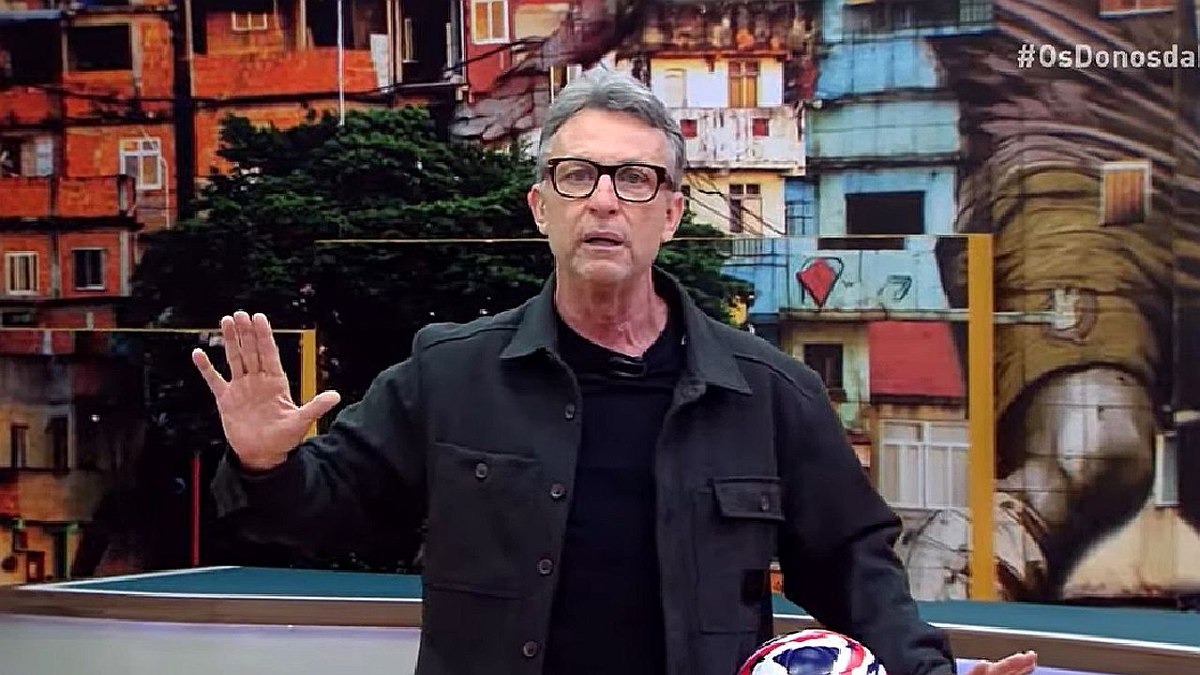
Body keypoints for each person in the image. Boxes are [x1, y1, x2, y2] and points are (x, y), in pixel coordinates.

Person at [194, 68, 1038, 675]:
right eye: (577, 174)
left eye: (634, 178)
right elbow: (325, 511)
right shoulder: (449, 372)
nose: (604, 199)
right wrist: (266, 460)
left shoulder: (770, 390)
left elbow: (854, 564)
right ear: (541, 206)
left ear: (671, 212)